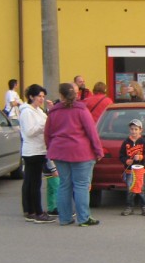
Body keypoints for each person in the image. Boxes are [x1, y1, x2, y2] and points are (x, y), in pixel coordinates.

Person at [44, 82, 104, 226]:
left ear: (61, 95)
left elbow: (47, 134)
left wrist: (51, 148)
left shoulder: (53, 112)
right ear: (75, 94)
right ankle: (83, 218)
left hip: (60, 151)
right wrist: (98, 150)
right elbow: (92, 132)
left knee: (64, 184)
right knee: (81, 185)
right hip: (81, 152)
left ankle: (65, 218)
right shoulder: (81, 110)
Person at [19, 84, 54, 223]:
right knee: (34, 182)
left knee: (30, 181)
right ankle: (37, 212)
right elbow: (29, 131)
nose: (41, 99)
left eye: (43, 96)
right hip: (33, 151)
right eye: (39, 96)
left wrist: (49, 112)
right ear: (31, 96)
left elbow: (47, 121)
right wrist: (43, 125)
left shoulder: (39, 111)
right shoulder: (27, 112)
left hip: (39, 149)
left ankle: (30, 210)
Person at [120, 118, 145, 216]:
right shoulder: (126, 142)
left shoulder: (143, 142)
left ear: (140, 130)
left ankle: (144, 207)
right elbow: (121, 155)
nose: (134, 131)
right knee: (130, 189)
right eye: (132, 129)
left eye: (136, 129)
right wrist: (126, 160)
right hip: (129, 171)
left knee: (141, 189)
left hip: (140, 171)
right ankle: (129, 207)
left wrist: (141, 157)